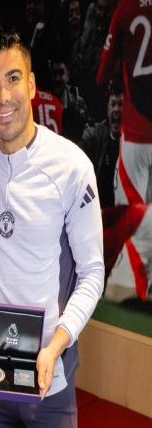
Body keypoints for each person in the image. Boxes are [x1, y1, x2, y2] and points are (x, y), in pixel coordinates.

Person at [0, 27, 104, 428]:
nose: (2, 96)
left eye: (12, 78)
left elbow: (92, 274)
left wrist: (56, 345)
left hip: (51, 377)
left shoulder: (71, 167)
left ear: (30, 85)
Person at [97, 0, 152, 299]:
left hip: (136, 133)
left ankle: (124, 287)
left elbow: (102, 74)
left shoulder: (126, 8)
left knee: (132, 212)